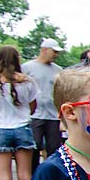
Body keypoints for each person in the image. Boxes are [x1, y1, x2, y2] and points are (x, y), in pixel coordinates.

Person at [0, 45, 39, 180]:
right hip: (22, 128)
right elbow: (33, 106)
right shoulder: (28, 81)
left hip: (0, 129)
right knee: (25, 177)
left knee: (4, 179)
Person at [24, 38, 65, 167]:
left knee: (54, 148)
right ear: (45, 50)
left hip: (53, 114)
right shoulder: (27, 67)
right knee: (34, 146)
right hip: (34, 114)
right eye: (54, 52)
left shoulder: (58, 70)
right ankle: (33, 175)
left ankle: (52, 175)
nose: (56, 55)